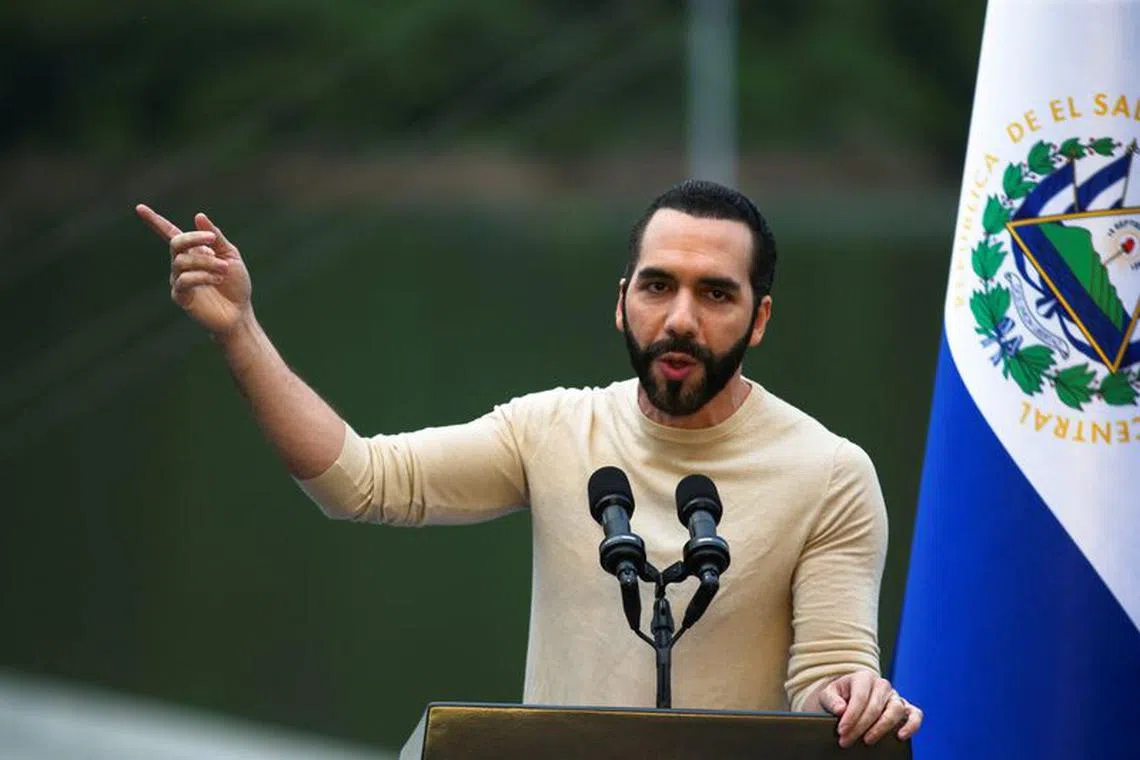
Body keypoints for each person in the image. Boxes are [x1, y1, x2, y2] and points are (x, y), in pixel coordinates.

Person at [136, 179, 922, 748]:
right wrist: (238, 329)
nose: (680, 319)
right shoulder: (551, 429)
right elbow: (359, 483)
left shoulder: (830, 473)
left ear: (759, 320)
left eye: (716, 295)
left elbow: (827, 675)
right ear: (622, 302)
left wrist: (853, 699)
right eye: (658, 286)